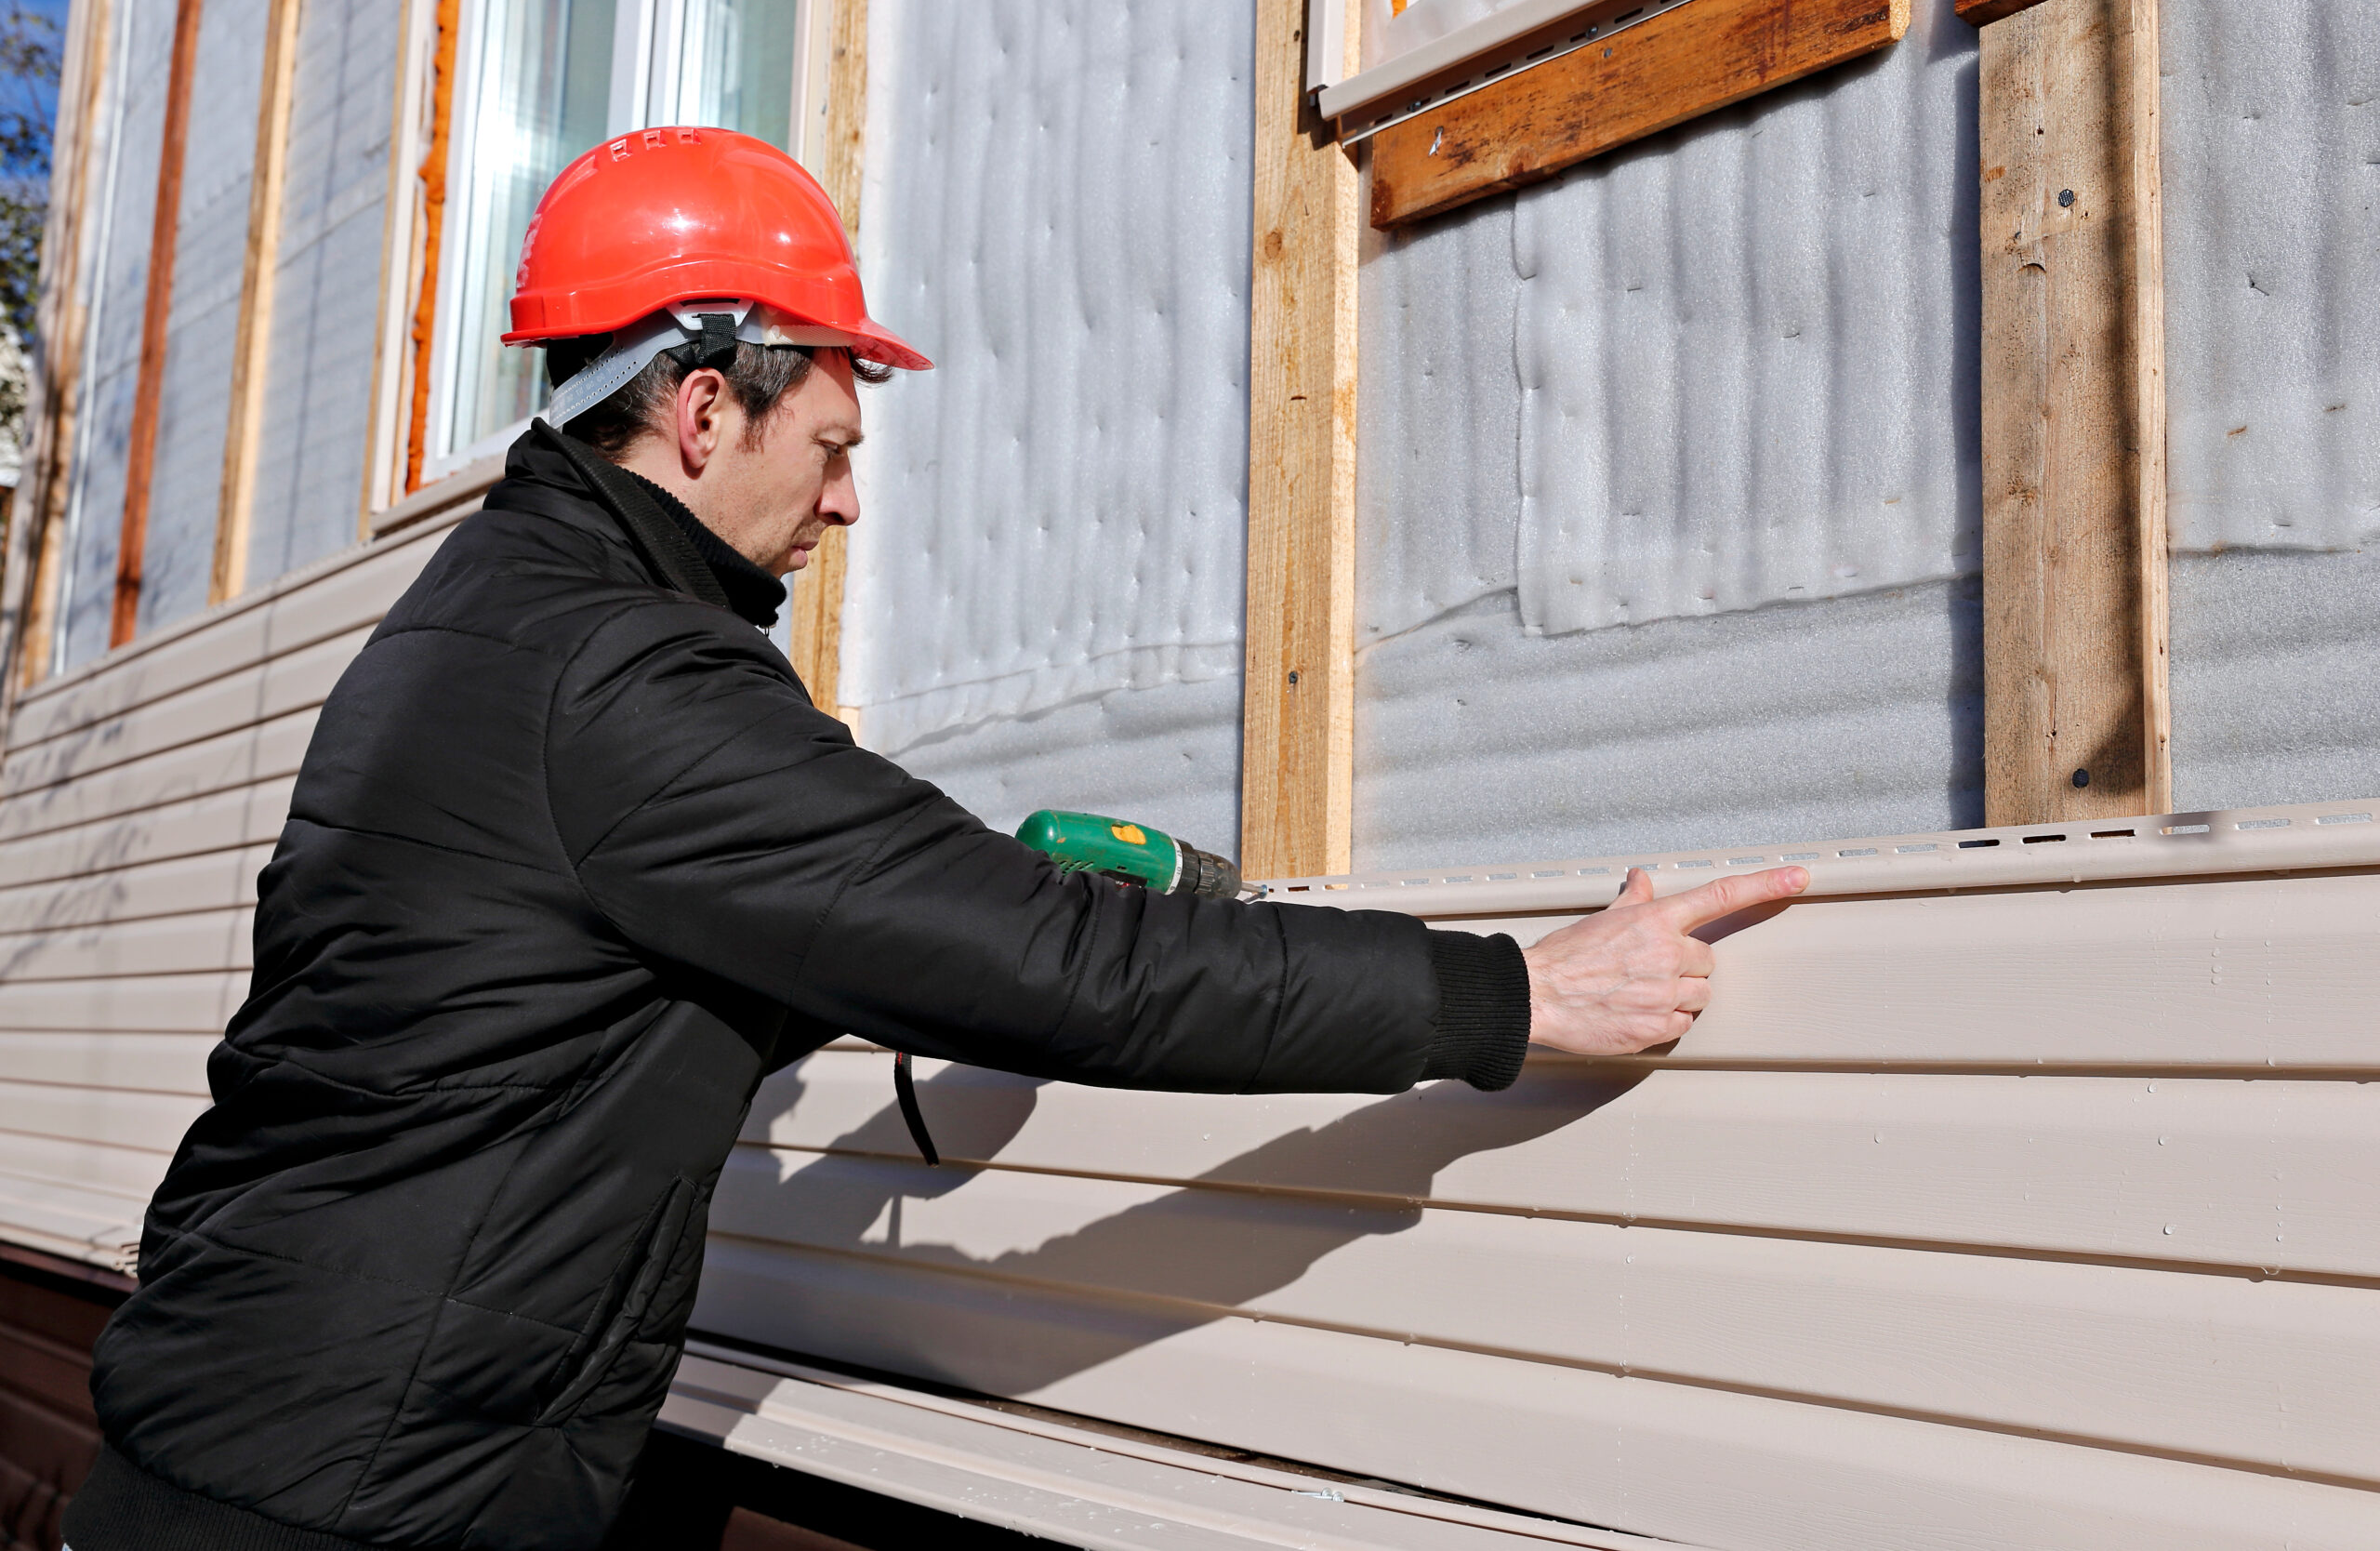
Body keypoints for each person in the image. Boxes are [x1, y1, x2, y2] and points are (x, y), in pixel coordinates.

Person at [63, 130, 1806, 1551]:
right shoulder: (627, 676)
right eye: (827, 439)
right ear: (697, 408)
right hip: (361, 1497)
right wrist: (1508, 995)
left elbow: (524, 998)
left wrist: (857, 941)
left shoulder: (487, 616)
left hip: (227, 1425)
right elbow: (1065, 966)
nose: (843, 494)